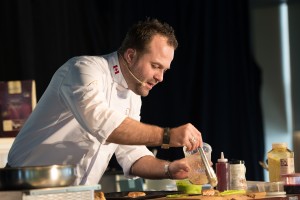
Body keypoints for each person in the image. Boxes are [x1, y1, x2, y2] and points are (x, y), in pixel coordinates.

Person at [7, 18, 203, 185]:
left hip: (76, 194)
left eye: (164, 70)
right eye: (155, 66)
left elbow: (132, 154)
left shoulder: (132, 95)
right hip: (24, 188)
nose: (160, 77)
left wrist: (169, 168)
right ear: (131, 55)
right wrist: (168, 135)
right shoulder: (82, 69)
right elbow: (104, 125)